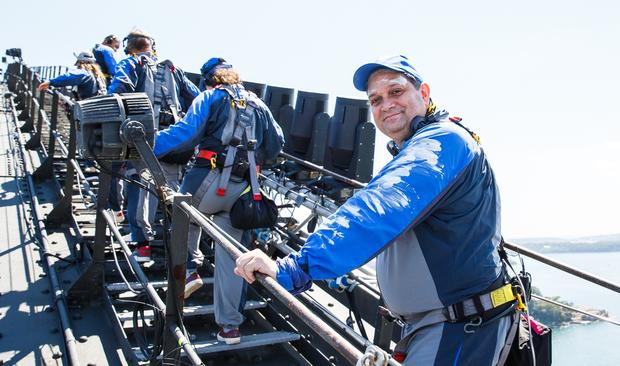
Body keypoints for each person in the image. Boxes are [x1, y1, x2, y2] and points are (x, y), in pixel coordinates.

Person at [234, 55, 514, 365]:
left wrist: (296, 267)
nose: (386, 104)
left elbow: (380, 206)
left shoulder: (442, 141)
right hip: (436, 325)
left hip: (459, 328)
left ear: (424, 93)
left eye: (396, 92)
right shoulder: (424, 144)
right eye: (376, 99)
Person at [153, 56, 284, 344]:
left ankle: (189, 270)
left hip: (206, 181)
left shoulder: (209, 97)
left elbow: (185, 133)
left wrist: (147, 144)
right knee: (232, 258)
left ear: (209, 79)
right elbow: (277, 142)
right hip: (243, 192)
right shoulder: (259, 104)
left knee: (181, 216)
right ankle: (230, 328)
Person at [108, 28, 200, 261]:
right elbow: (196, 98)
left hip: (142, 140)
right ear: (152, 46)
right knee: (172, 193)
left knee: (140, 188)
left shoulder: (131, 64)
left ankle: (143, 246)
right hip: (174, 142)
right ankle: (179, 247)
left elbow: (117, 91)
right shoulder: (173, 69)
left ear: (130, 47)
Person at [37, 51, 106, 100]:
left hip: (88, 109)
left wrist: (50, 82)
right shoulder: (97, 75)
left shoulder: (84, 73)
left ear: (80, 62)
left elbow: (69, 77)